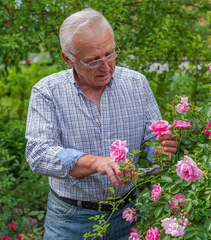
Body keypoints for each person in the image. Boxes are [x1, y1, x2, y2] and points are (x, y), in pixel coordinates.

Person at [25, 8, 178, 240]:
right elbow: (38, 153)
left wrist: (159, 148)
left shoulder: (137, 84)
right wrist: (96, 162)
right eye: (93, 60)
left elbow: (151, 141)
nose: (106, 67)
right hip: (71, 218)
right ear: (68, 58)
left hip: (129, 213)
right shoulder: (48, 92)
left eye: (110, 53)